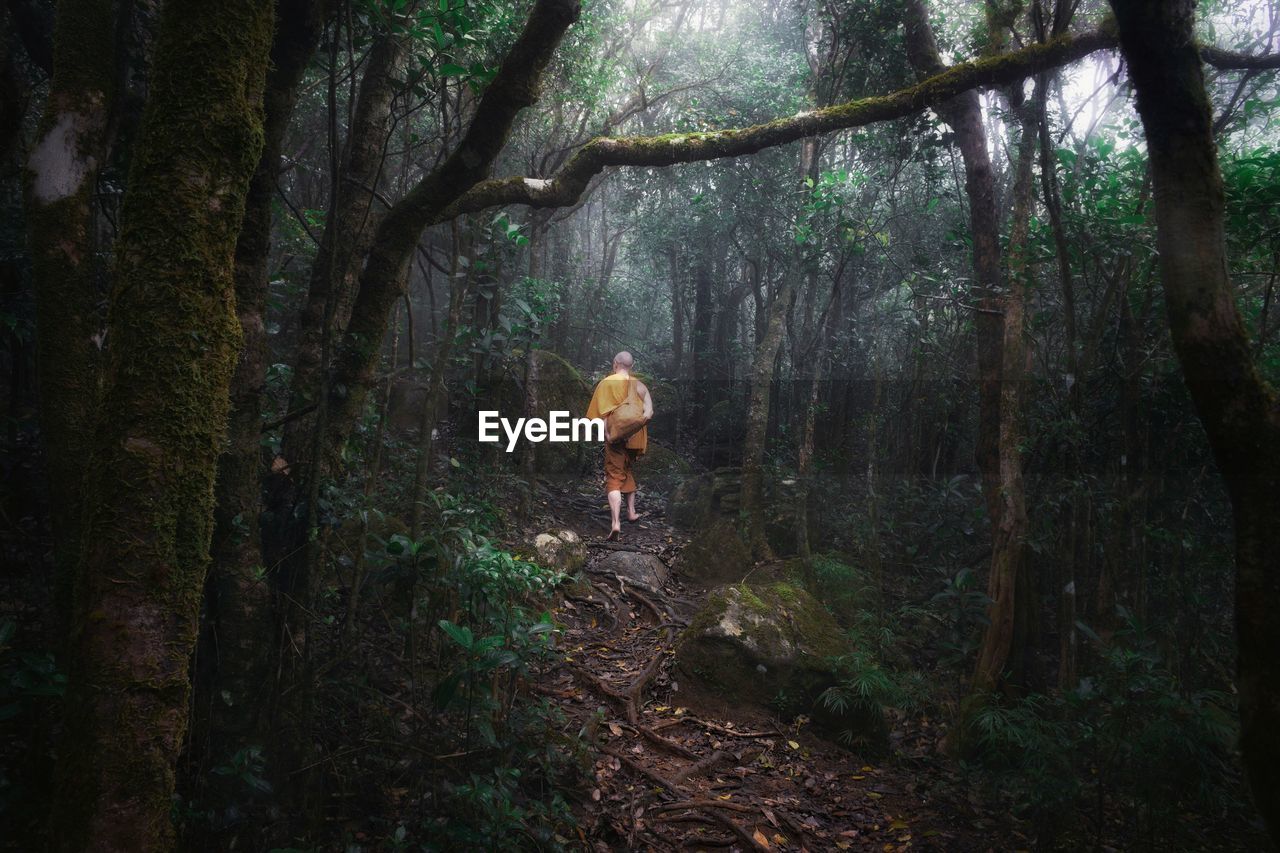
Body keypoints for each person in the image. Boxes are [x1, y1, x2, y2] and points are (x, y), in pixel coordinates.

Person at [585, 351, 653, 541]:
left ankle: (616, 523)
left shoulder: (607, 383)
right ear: (631, 366)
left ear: (615, 363)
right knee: (626, 469)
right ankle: (631, 511)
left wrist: (609, 434)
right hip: (635, 438)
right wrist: (633, 429)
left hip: (615, 436)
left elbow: (602, 415)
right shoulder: (640, 386)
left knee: (614, 475)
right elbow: (648, 413)